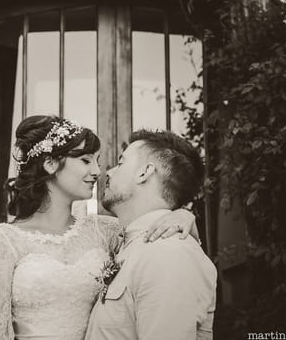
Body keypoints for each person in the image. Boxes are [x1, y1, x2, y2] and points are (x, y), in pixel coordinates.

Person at [0, 116, 199, 340]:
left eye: (98, 161)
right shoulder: (1, 241)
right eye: (86, 160)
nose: (98, 171)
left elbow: (148, 234)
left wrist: (183, 214)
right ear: (50, 164)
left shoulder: (106, 231)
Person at [84, 129, 217, 340]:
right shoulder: (134, 246)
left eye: (120, 163)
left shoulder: (169, 253)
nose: (107, 172)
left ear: (144, 172)